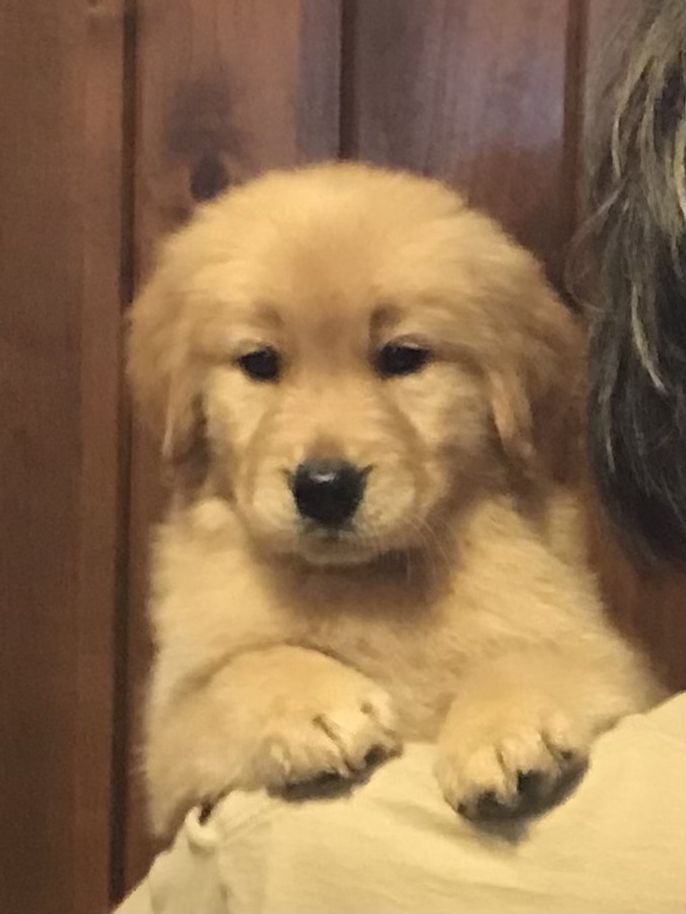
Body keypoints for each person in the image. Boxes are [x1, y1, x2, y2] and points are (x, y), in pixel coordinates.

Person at [114, 1, 685, 911]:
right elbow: (178, 763)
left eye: (402, 358)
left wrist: (514, 695)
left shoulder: (510, 558)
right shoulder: (221, 576)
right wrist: (259, 691)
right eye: (260, 363)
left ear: (508, 387)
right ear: (183, 394)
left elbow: (597, 679)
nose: (325, 460)